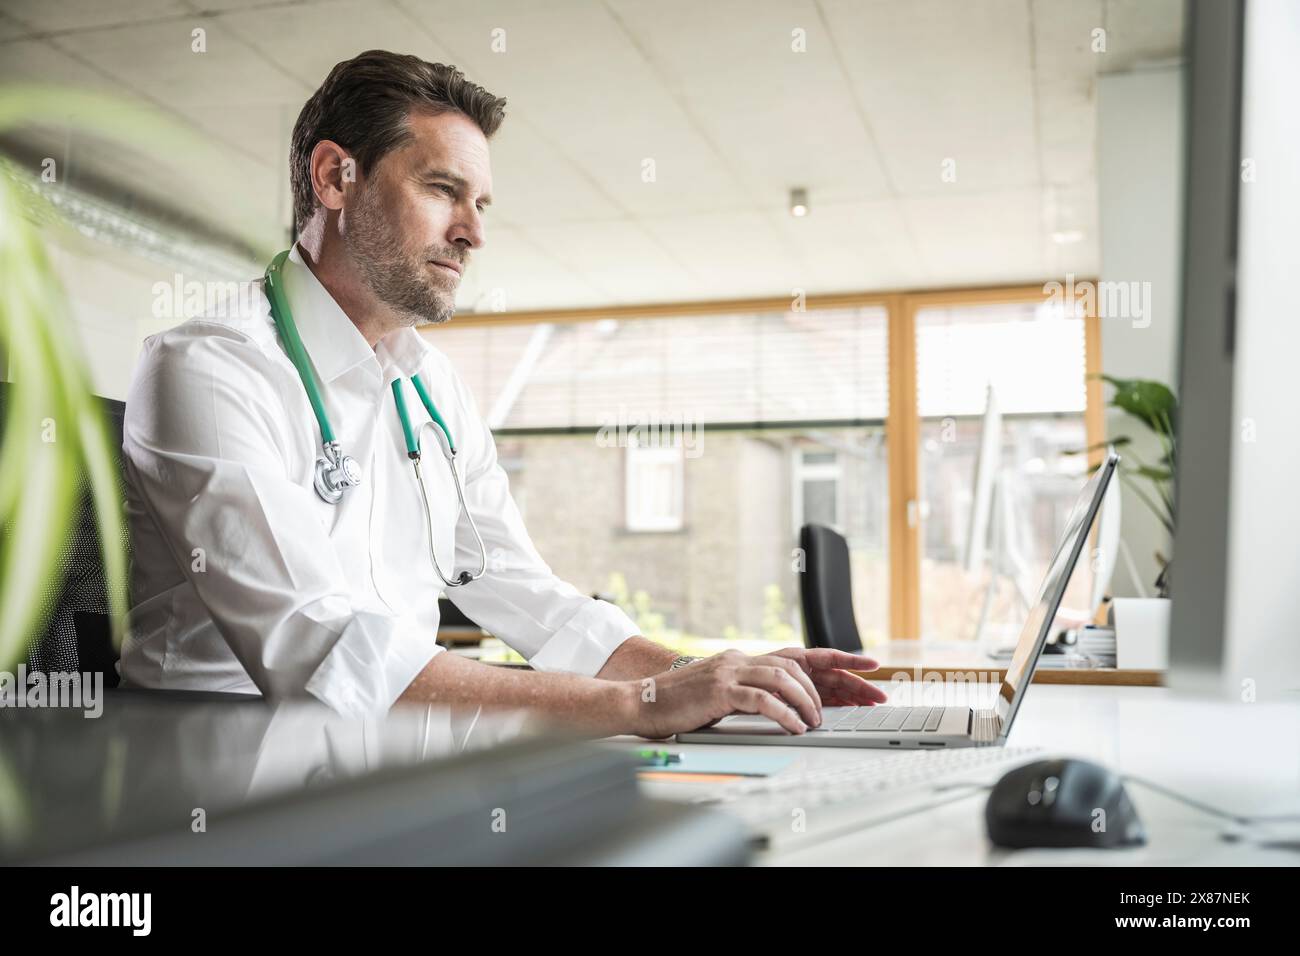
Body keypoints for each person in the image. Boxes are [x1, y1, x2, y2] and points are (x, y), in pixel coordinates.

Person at [120, 50, 886, 736]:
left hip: (382, 759)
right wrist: (641, 704)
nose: (472, 233)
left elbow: (524, 594)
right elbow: (323, 652)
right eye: (443, 189)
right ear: (334, 178)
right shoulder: (212, 369)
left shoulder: (429, 387)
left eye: (480, 204)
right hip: (219, 773)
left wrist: (706, 676)